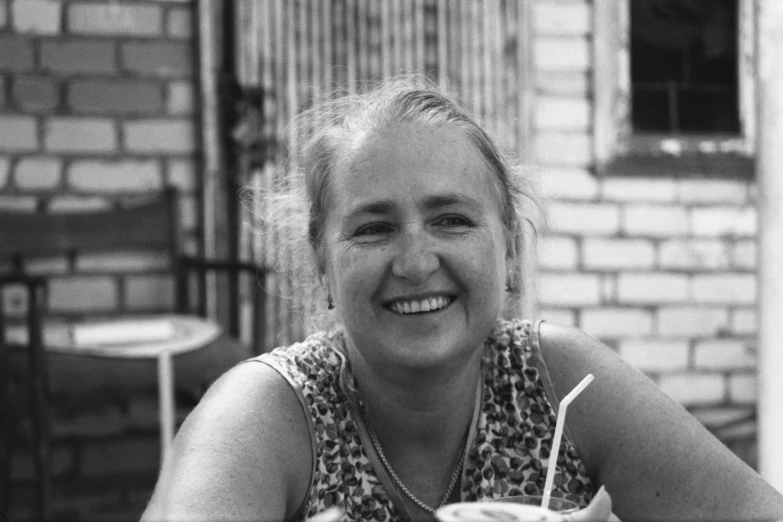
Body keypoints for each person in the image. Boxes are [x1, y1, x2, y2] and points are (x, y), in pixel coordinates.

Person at [141, 77, 783, 522]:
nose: (417, 262)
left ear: (507, 249)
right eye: (373, 228)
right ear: (321, 264)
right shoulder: (269, 410)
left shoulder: (557, 381)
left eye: (451, 220)